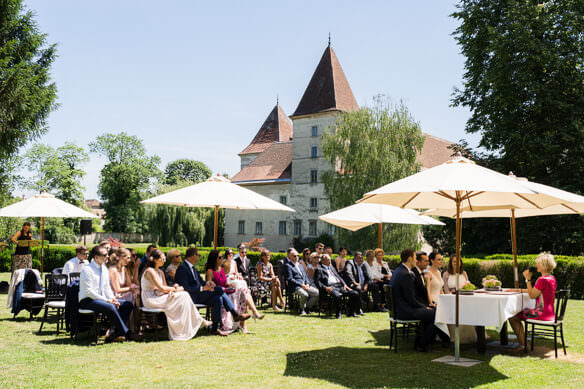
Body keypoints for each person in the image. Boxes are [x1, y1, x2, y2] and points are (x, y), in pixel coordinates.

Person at [175, 247, 250, 336]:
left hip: (199, 295)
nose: (199, 257)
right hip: (190, 298)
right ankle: (235, 314)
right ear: (192, 256)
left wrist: (208, 283)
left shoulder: (192, 268)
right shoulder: (182, 268)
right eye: (198, 255)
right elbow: (185, 288)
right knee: (218, 289)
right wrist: (203, 288)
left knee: (218, 298)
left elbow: (201, 282)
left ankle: (215, 328)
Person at [142, 249, 211, 340]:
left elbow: (164, 287)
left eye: (164, 259)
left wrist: (171, 291)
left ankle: (186, 326)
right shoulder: (150, 271)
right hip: (151, 299)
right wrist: (175, 289)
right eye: (162, 259)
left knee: (184, 295)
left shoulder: (161, 272)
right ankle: (196, 321)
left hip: (160, 295)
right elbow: (161, 288)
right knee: (183, 295)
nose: (164, 261)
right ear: (155, 260)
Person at [391, 249, 447, 351]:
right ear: (409, 259)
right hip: (405, 311)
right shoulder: (405, 274)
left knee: (432, 312)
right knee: (435, 314)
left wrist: (426, 307)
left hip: (401, 309)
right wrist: (424, 307)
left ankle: (423, 342)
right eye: (415, 258)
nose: (416, 261)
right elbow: (411, 299)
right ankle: (423, 344)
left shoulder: (398, 271)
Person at [79, 245, 136, 342]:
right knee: (110, 307)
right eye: (104, 255)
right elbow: (89, 291)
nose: (107, 257)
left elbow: (106, 288)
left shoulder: (104, 269)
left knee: (127, 305)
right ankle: (125, 332)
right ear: (96, 257)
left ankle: (114, 332)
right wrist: (107, 300)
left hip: (103, 299)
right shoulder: (87, 270)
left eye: (107, 254)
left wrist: (113, 298)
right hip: (88, 300)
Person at [206, 250, 264, 333]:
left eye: (222, 257)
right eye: (220, 257)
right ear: (215, 259)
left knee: (243, 291)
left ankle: (244, 324)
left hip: (227, 291)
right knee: (243, 291)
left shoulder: (221, 269)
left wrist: (229, 285)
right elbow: (209, 285)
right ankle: (248, 317)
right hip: (219, 293)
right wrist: (215, 285)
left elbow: (225, 282)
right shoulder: (210, 271)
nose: (222, 258)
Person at [508, 253, 558, 350]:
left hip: (541, 313)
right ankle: (523, 343)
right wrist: (515, 290)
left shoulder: (541, 280)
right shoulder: (551, 278)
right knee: (518, 313)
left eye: (538, 263)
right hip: (550, 314)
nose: (536, 266)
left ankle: (523, 345)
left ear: (543, 265)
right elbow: (535, 291)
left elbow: (532, 295)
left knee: (513, 316)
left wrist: (528, 280)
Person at [442, 255, 476, 343]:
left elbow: (468, 285)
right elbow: (446, 289)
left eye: (458, 261)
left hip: (465, 296)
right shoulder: (446, 274)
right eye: (454, 261)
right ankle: (455, 335)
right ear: (451, 263)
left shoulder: (464, 273)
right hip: (452, 298)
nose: (456, 263)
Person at [315, 254, 360, 319]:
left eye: (330, 259)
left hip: (339, 285)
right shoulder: (319, 269)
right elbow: (317, 282)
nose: (330, 261)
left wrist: (345, 284)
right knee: (337, 295)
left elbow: (338, 277)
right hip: (330, 287)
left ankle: (351, 312)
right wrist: (326, 288)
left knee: (355, 293)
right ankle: (338, 313)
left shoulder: (332, 267)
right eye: (328, 260)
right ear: (322, 261)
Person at [285, 248, 319, 315]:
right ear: (290, 257)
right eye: (294, 256)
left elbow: (305, 276)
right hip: (295, 287)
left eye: (297, 255)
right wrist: (301, 285)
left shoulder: (300, 265)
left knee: (317, 293)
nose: (296, 257)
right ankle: (302, 309)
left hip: (304, 285)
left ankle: (307, 308)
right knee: (305, 295)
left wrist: (307, 284)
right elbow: (290, 279)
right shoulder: (288, 266)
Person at [342, 251, 368, 315]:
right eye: (359, 258)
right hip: (351, 284)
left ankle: (377, 306)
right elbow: (348, 273)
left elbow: (367, 277)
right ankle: (358, 309)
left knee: (375, 286)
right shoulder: (350, 263)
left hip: (362, 284)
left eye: (362, 258)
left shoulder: (363, 265)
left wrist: (366, 285)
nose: (361, 259)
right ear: (355, 258)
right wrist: (354, 282)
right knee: (358, 288)